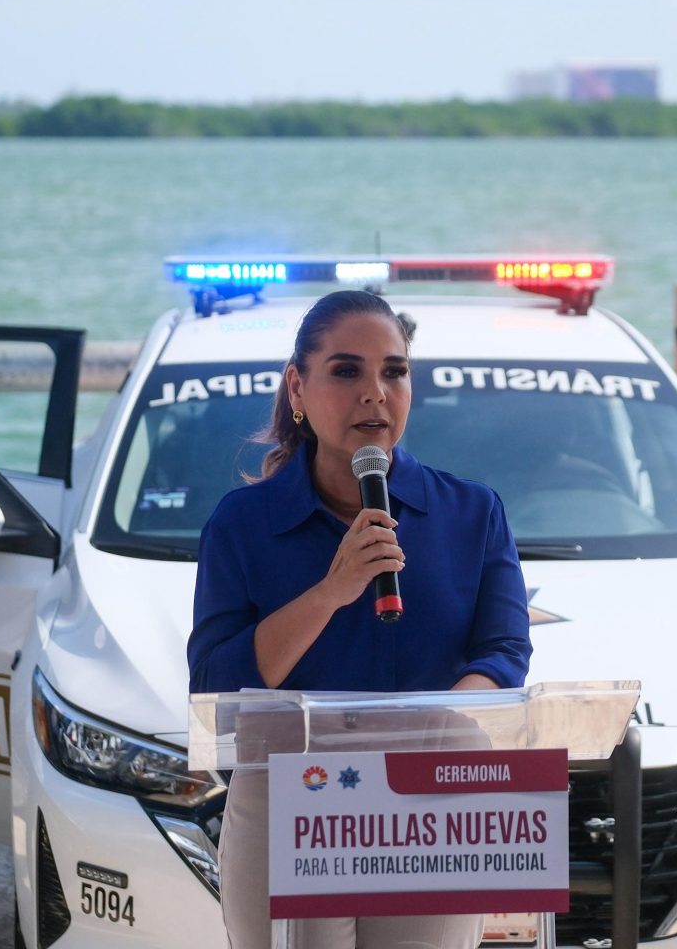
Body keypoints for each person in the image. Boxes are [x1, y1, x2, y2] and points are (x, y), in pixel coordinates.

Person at [188, 290, 532, 949]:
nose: (375, 393)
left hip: (432, 794)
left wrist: (433, 727)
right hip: (291, 790)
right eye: (347, 371)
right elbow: (215, 684)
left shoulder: (471, 512)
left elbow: (503, 652)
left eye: (393, 371)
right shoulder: (242, 524)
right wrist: (332, 589)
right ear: (298, 386)